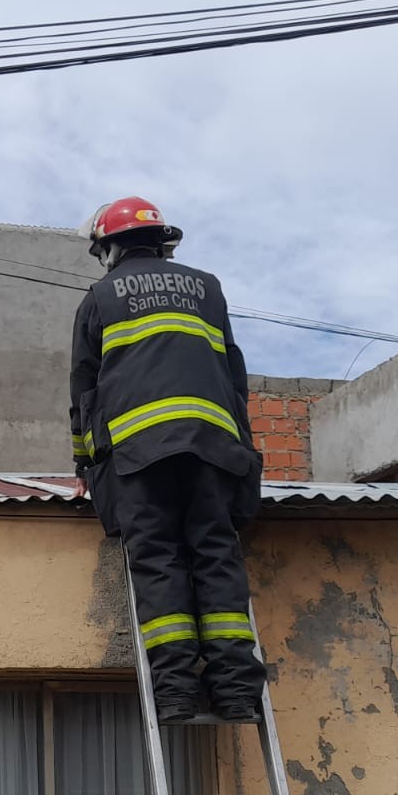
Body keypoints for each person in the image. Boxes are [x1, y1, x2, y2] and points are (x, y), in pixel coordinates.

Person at [68, 197, 265, 723]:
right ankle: (236, 693)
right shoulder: (208, 288)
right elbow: (235, 377)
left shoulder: (99, 298)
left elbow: (84, 392)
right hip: (214, 448)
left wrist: (85, 465)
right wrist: (244, 453)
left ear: (109, 247)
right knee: (216, 557)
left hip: (139, 457)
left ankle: (176, 692)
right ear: (163, 241)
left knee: (158, 562)